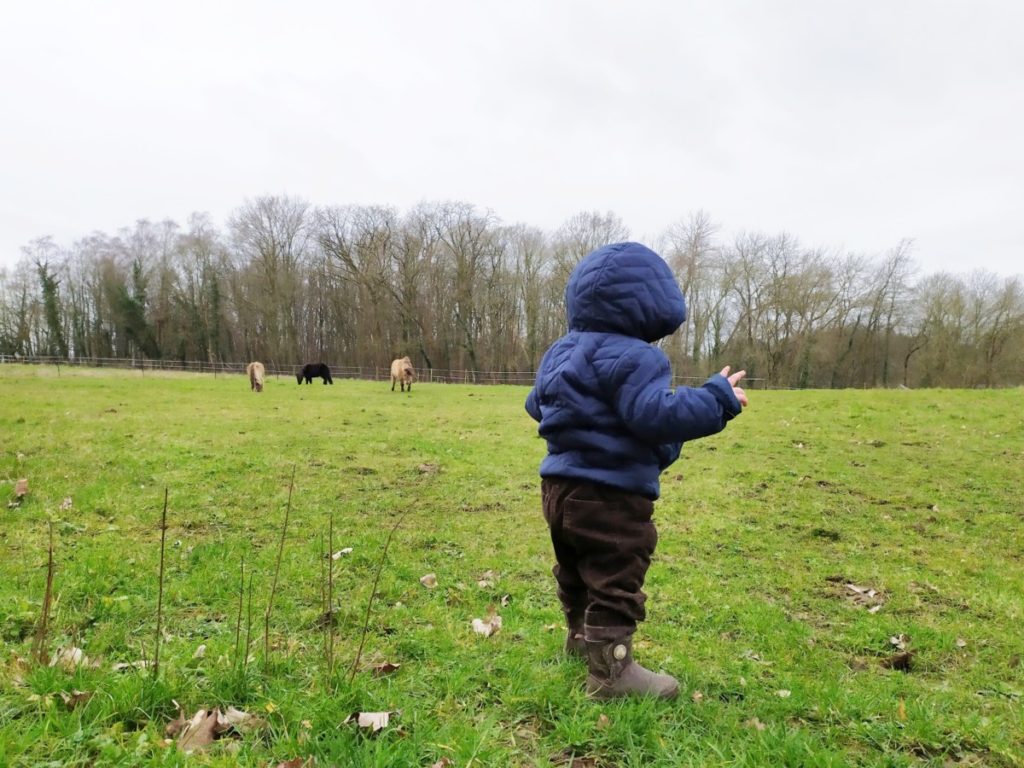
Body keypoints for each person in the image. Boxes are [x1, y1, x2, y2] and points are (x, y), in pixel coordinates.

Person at [525, 241, 748, 700]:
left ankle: (580, 638)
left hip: (557, 490)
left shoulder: (559, 352)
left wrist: (577, 428)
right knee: (615, 573)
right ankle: (612, 672)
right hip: (611, 495)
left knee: (575, 566)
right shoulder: (637, 356)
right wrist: (717, 398)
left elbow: (536, 404)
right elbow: (655, 415)